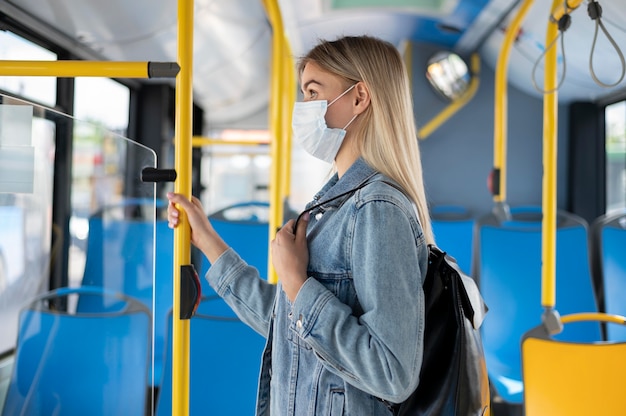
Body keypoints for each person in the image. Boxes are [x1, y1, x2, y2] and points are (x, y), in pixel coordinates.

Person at [167, 35, 434, 415]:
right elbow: (292, 327)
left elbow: (392, 374)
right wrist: (207, 240)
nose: (303, 108)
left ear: (359, 97)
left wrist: (297, 283)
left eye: (312, 92)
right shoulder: (337, 203)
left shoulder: (377, 207)